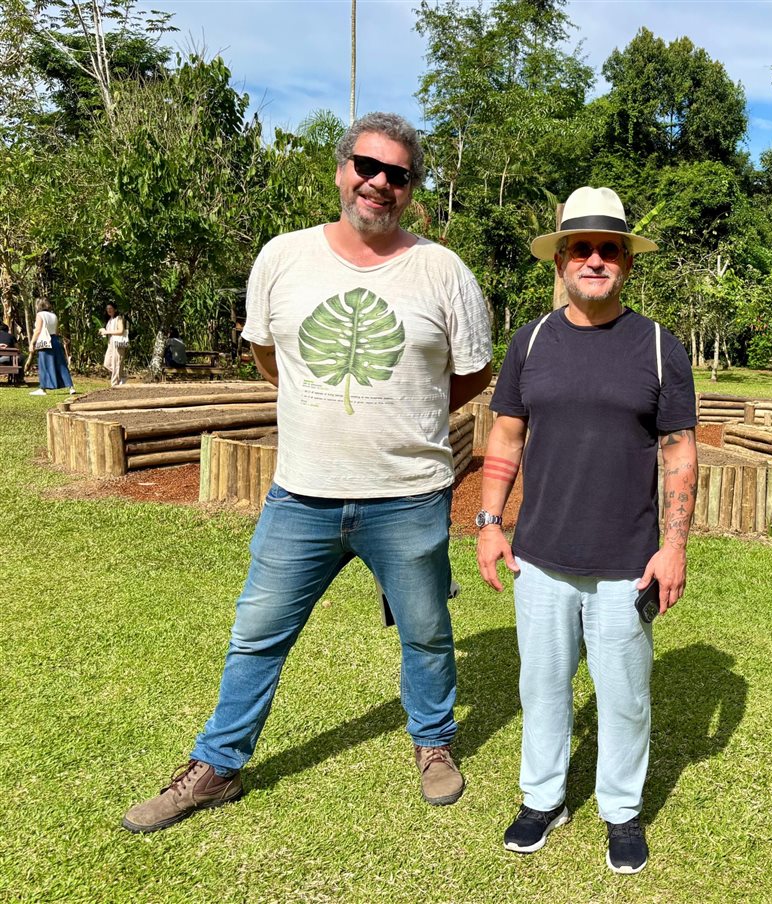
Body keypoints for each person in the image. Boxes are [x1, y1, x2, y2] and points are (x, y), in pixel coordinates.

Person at [122, 112, 493, 834]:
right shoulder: (283, 257)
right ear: (340, 170)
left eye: (398, 174)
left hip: (407, 496)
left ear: (411, 189)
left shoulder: (441, 269)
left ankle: (434, 744)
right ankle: (218, 766)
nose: (379, 182)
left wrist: (409, 411)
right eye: (367, 165)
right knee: (257, 634)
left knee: (425, 632)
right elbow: (270, 358)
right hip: (302, 494)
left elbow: (472, 372)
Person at [476, 186, 698, 874]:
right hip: (540, 557)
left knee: (625, 697)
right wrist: (488, 522)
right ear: (563, 261)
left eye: (609, 249)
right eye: (583, 248)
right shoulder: (532, 341)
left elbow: (680, 451)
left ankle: (621, 811)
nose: (595, 259)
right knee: (541, 690)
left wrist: (674, 545)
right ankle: (542, 799)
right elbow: (506, 435)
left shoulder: (659, 348)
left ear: (627, 262)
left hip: (626, 564)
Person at [28, 300, 75, 396]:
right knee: (61, 364)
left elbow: (38, 330)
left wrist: (32, 343)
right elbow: (56, 331)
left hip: (45, 340)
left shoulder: (40, 315)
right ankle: (71, 387)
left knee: (44, 364)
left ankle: (43, 388)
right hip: (54, 340)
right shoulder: (54, 316)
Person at [98, 303, 129, 387]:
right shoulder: (109, 320)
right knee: (107, 363)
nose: (109, 310)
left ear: (115, 309)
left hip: (118, 344)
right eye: (107, 308)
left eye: (110, 308)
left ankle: (114, 383)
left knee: (116, 363)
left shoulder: (118, 318)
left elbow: (121, 331)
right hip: (110, 344)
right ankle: (122, 376)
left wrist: (107, 332)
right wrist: (103, 330)